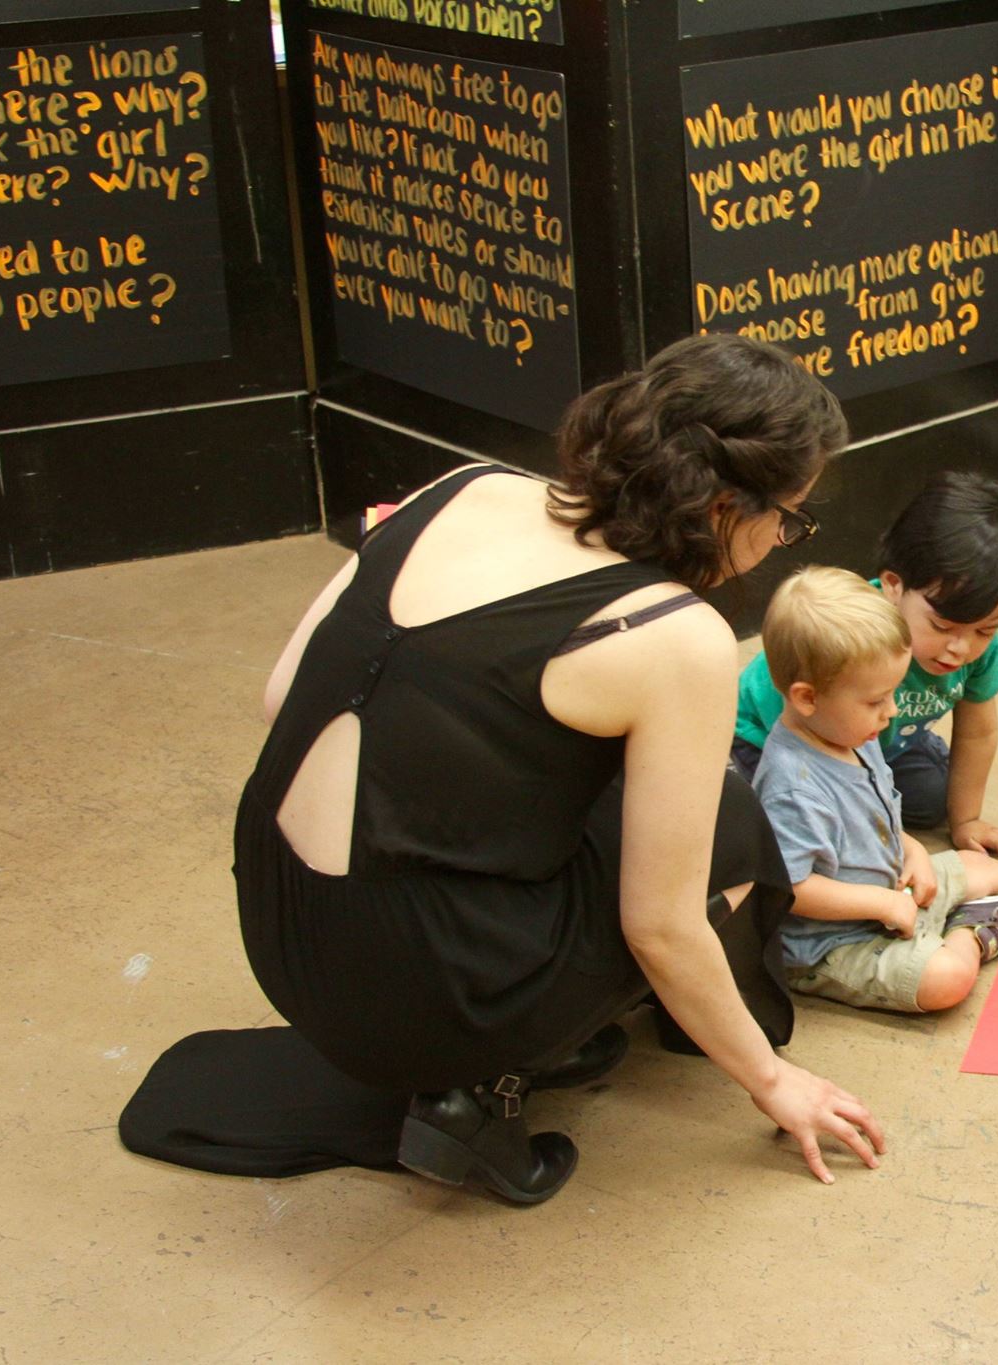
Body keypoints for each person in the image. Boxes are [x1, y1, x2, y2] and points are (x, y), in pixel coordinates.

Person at [235, 334, 885, 1202]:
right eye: (788, 517)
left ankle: (512, 1022)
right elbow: (662, 927)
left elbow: (284, 694)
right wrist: (773, 1080)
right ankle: (485, 1082)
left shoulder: (461, 487)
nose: (782, 541)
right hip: (425, 1007)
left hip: (279, 924)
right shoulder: (675, 635)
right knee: (730, 830)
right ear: (726, 504)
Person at [752, 567, 998, 1014]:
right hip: (834, 945)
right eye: (875, 700)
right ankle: (974, 932)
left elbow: (872, 815)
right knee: (946, 979)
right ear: (807, 698)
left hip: (892, 894)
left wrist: (912, 848)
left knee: (974, 864)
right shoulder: (793, 787)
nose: (892, 711)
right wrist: (880, 902)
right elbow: (792, 885)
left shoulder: (847, 734)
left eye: (893, 693)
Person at [732, 471, 998, 857]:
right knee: (805, 831)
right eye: (942, 625)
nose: (961, 648)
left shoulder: (975, 649)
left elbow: (978, 733)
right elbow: (814, 746)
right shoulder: (854, 640)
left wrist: (967, 821)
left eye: (985, 630)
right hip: (777, 741)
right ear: (894, 586)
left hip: (875, 740)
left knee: (931, 800)